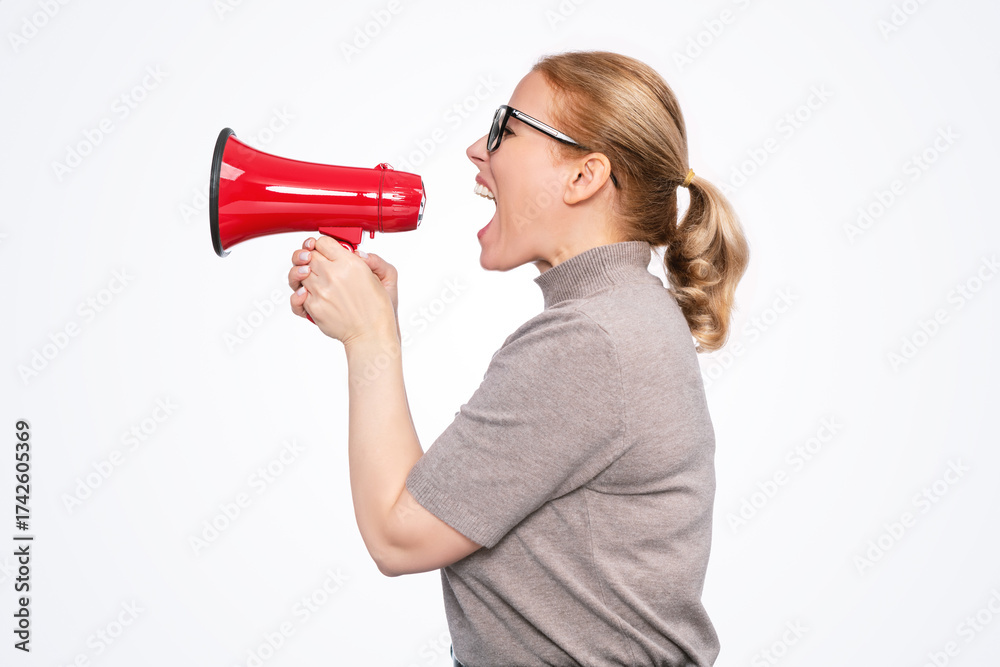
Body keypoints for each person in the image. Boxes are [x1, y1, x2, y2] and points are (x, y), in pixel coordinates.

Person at [287, 50, 749, 667]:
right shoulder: (621, 315)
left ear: (583, 177)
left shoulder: (590, 340)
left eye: (506, 128)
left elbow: (398, 537)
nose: (478, 149)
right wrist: (372, 331)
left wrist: (369, 339)